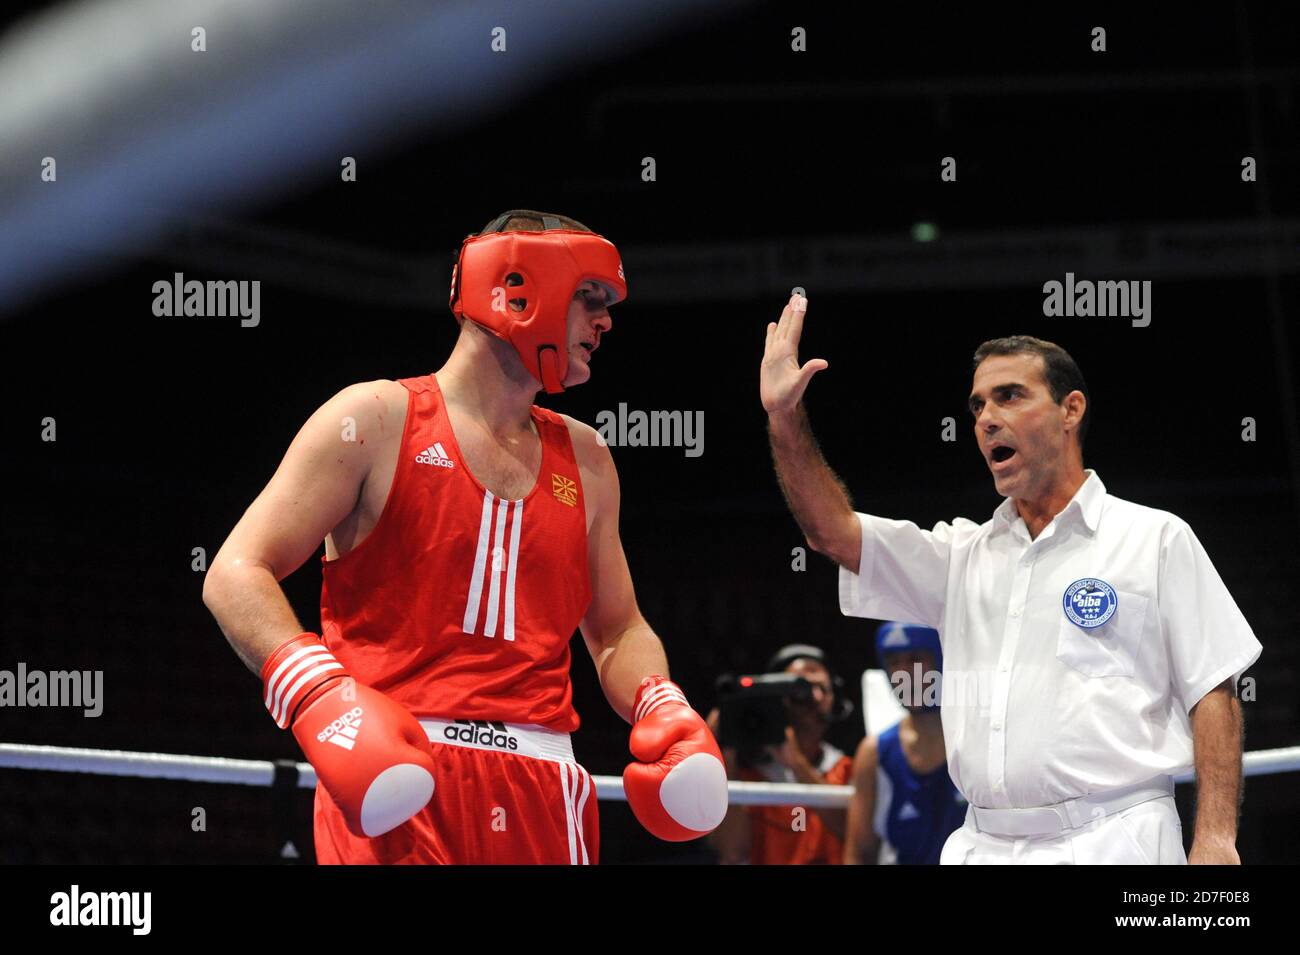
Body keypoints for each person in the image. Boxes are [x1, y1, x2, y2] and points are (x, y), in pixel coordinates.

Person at [203, 210, 727, 864]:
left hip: (546, 789)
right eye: (589, 297)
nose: (606, 320)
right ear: (519, 288)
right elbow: (235, 570)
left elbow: (618, 628)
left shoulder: (589, 460)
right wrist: (316, 692)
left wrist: (661, 699)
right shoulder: (372, 420)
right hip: (397, 779)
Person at [761, 297, 1261, 865]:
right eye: (976, 405)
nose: (985, 418)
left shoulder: (1155, 538)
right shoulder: (960, 555)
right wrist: (784, 419)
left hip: (1117, 837)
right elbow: (832, 534)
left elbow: (1213, 691)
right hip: (984, 844)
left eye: (1009, 396)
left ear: (1071, 410)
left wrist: (1216, 839)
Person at [707, 644, 855, 864]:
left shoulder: (847, 770)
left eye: (819, 687)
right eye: (799, 688)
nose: (811, 697)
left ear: (834, 698)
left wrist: (797, 764)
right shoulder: (747, 776)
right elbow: (733, 853)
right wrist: (722, 756)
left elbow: (856, 835)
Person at [844, 623, 966, 864]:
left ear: (943, 660)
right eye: (893, 661)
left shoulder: (977, 742)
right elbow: (858, 853)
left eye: (916, 659)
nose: (903, 673)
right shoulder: (875, 753)